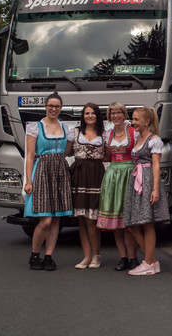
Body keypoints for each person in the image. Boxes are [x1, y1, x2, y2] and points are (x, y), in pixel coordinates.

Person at [24, 92, 73, 271]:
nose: (53, 109)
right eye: (51, 106)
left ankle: (49, 256)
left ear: (61, 108)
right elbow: (29, 156)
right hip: (42, 170)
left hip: (60, 171)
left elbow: (67, 152)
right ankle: (35, 254)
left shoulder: (66, 128)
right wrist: (28, 180)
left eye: (57, 106)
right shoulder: (35, 127)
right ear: (45, 107)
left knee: (56, 219)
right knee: (44, 220)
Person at [124, 107, 169, 276]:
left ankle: (149, 262)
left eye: (136, 119)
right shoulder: (138, 138)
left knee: (147, 223)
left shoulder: (154, 139)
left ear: (147, 122)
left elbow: (156, 165)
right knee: (133, 224)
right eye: (133, 119)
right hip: (137, 179)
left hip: (148, 180)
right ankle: (152, 260)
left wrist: (155, 189)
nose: (133, 122)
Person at [96, 102, 140, 271]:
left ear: (124, 114)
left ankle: (133, 257)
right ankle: (123, 258)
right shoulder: (108, 133)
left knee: (128, 222)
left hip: (129, 173)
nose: (115, 116)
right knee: (116, 222)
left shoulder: (133, 132)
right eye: (112, 113)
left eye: (118, 113)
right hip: (113, 175)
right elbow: (107, 156)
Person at [66, 102, 106, 269]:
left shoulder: (104, 134)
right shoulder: (75, 133)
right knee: (82, 219)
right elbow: (66, 152)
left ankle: (96, 255)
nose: (90, 116)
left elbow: (108, 155)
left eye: (93, 113)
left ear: (97, 116)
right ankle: (86, 256)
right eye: (87, 113)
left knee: (92, 218)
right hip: (80, 175)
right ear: (83, 116)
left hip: (96, 175)